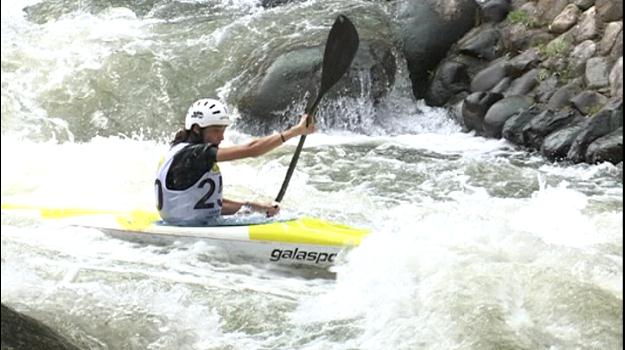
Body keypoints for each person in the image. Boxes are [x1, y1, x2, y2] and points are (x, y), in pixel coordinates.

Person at [155, 98, 315, 225]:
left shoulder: (181, 150)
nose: (221, 137)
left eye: (223, 131)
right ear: (197, 129)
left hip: (183, 224)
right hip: (188, 229)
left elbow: (207, 205)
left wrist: (256, 208)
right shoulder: (194, 154)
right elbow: (252, 149)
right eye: (216, 131)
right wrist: (296, 131)